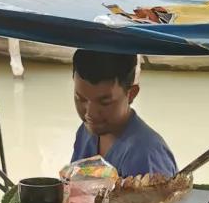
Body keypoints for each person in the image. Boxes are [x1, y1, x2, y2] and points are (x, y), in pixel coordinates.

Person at [70, 51, 177, 179]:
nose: (90, 114)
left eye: (105, 102)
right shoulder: (86, 131)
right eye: (81, 99)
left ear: (131, 94)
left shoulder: (146, 155)